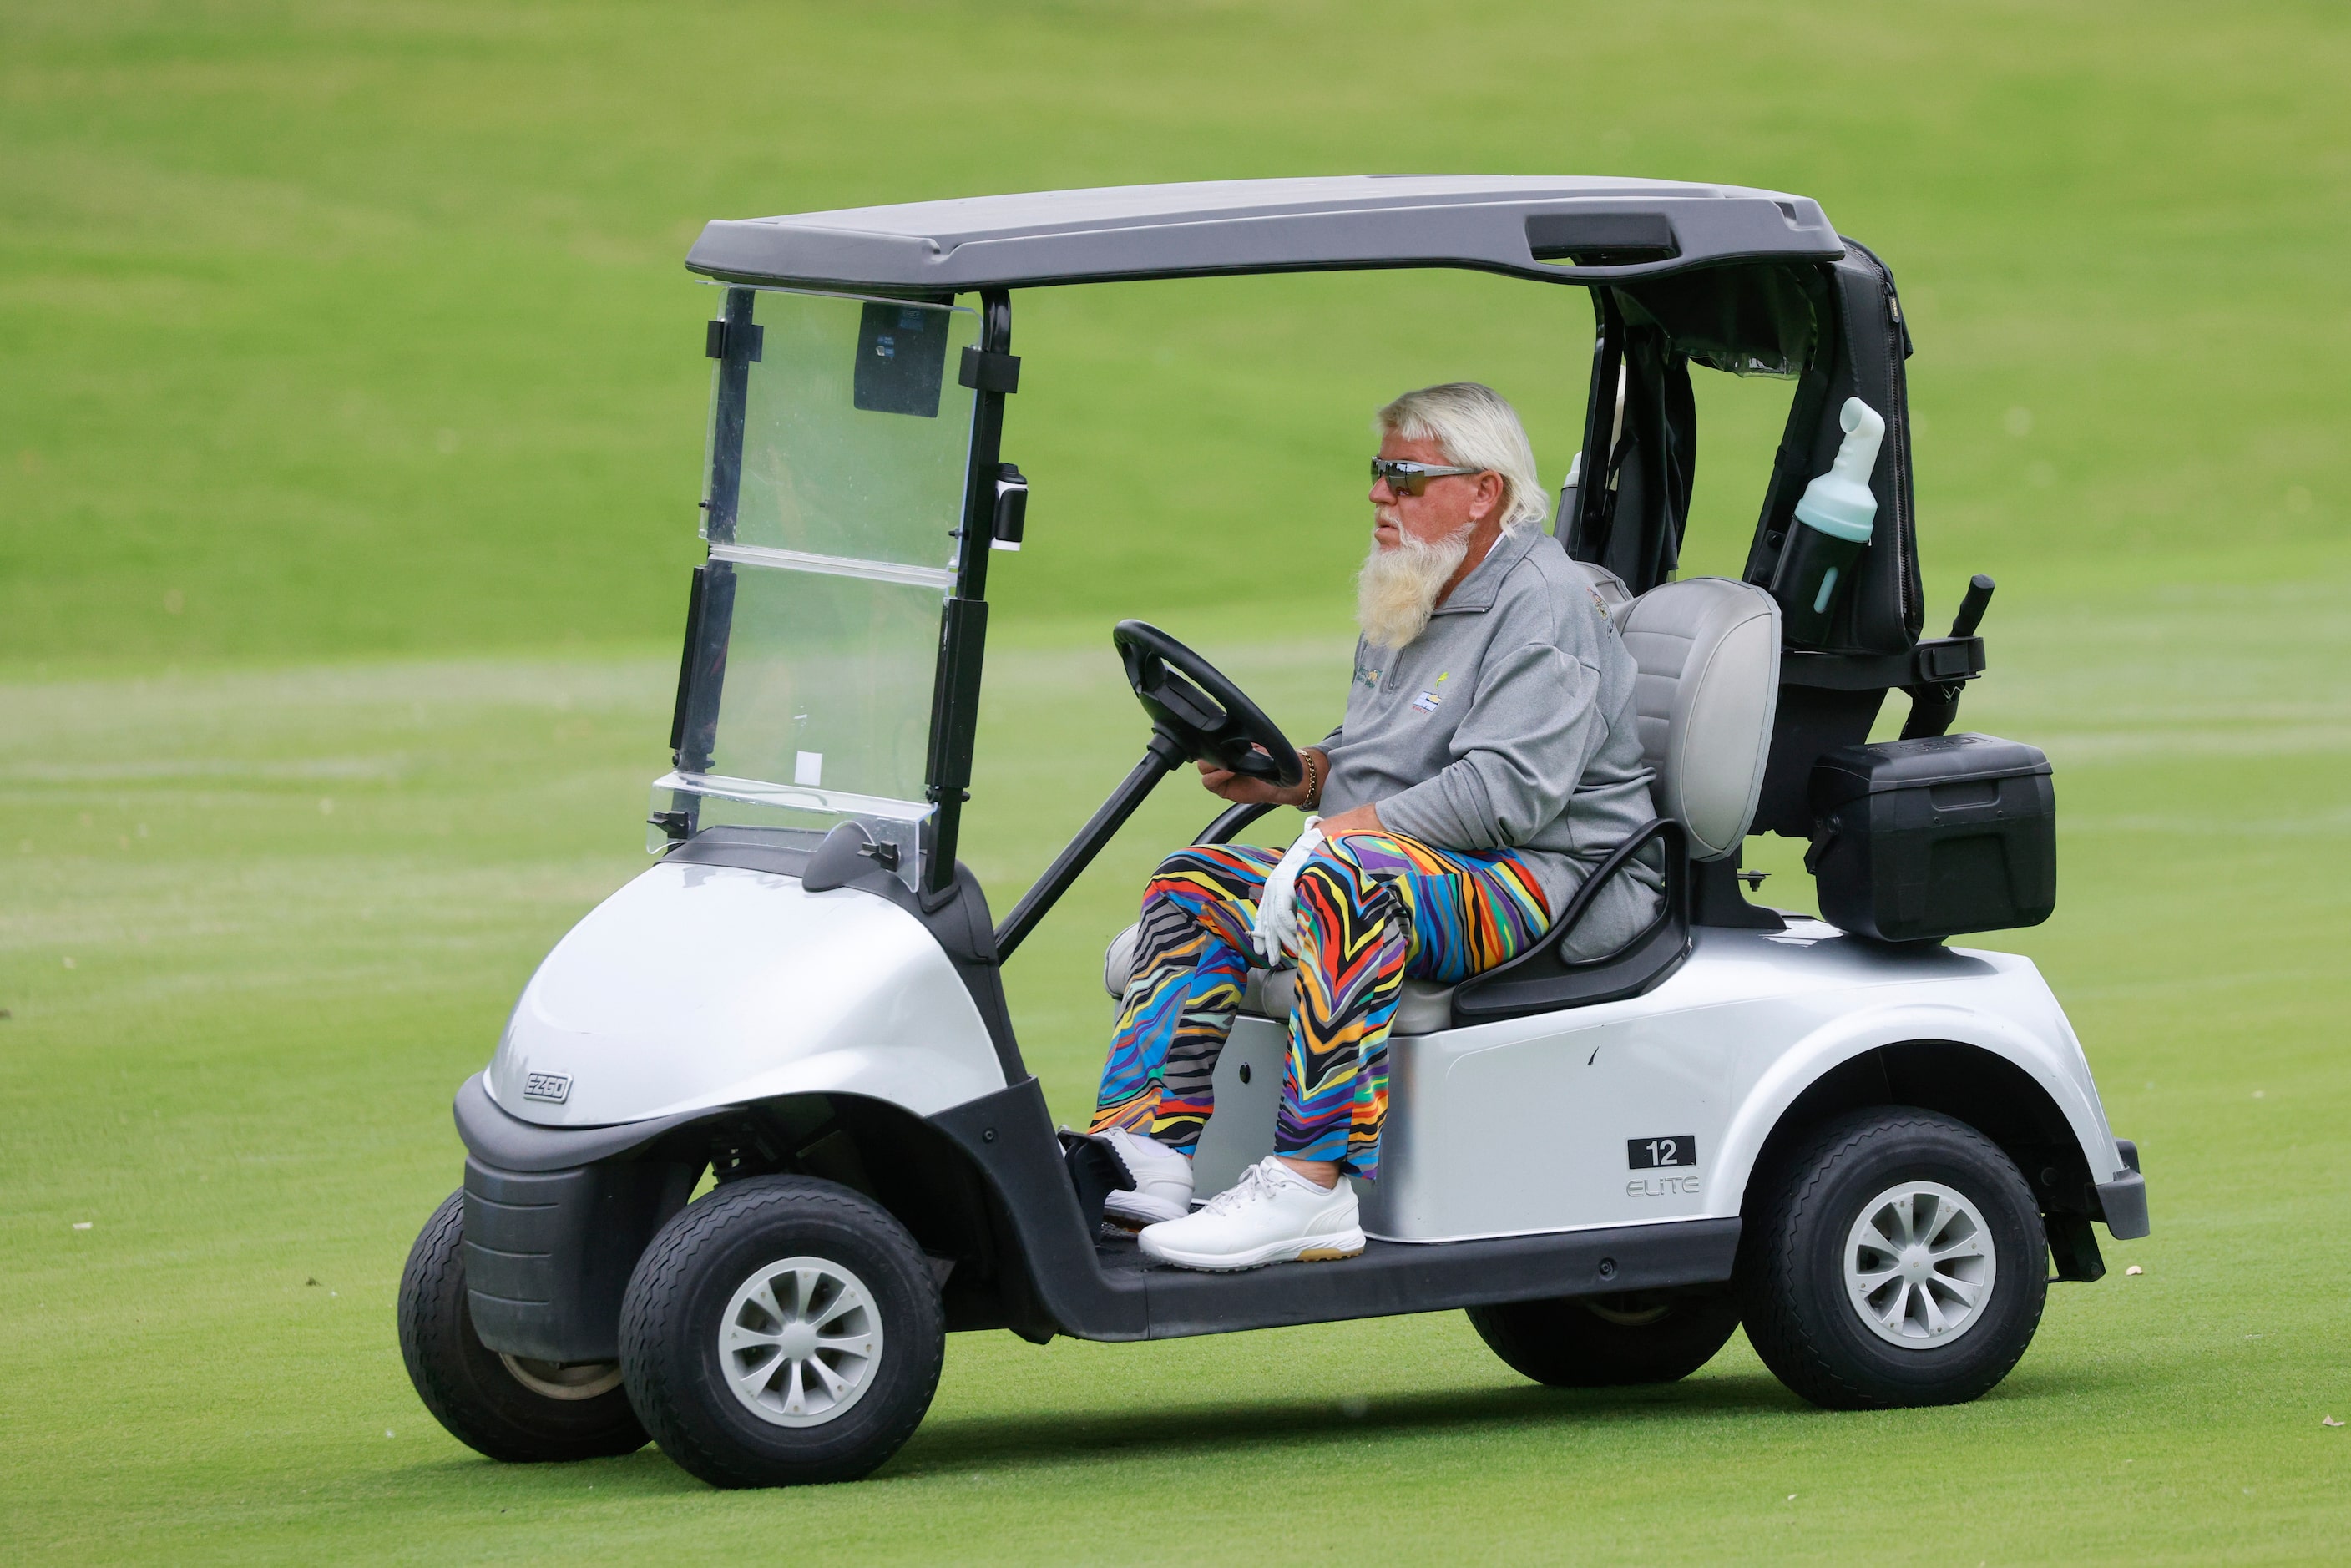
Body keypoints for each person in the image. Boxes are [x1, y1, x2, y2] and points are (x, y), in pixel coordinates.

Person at [1086, 382, 1662, 1272]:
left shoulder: (1543, 606)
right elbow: (1384, 754)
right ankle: (1145, 1153)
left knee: (1343, 882)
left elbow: (1506, 793)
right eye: (1376, 472)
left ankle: (1309, 1188)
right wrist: (1300, 780)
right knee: (1192, 881)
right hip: (1436, 867)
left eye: (1403, 477)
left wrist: (1333, 835)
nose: (1377, 496)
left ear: (1483, 494)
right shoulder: (1417, 583)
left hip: (1556, 877)